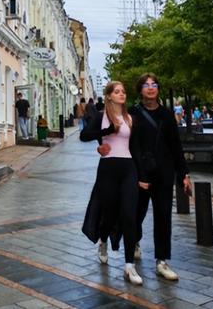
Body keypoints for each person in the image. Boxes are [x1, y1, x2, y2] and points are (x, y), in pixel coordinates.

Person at [123, 73, 192, 281]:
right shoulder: (133, 113)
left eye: (154, 84)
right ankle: (134, 242)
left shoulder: (166, 114)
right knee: (137, 213)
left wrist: (183, 173)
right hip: (141, 174)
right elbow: (129, 144)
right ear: (140, 90)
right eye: (146, 85)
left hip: (164, 173)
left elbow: (175, 145)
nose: (151, 88)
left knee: (163, 216)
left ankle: (162, 260)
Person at [80, 81, 143, 286]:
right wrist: (105, 133)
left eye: (123, 91)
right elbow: (84, 135)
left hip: (128, 169)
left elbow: (136, 148)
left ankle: (129, 266)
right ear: (108, 96)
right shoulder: (101, 117)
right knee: (109, 213)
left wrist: (142, 176)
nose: (121, 94)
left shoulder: (130, 118)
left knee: (129, 215)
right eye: (117, 91)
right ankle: (103, 239)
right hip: (108, 169)